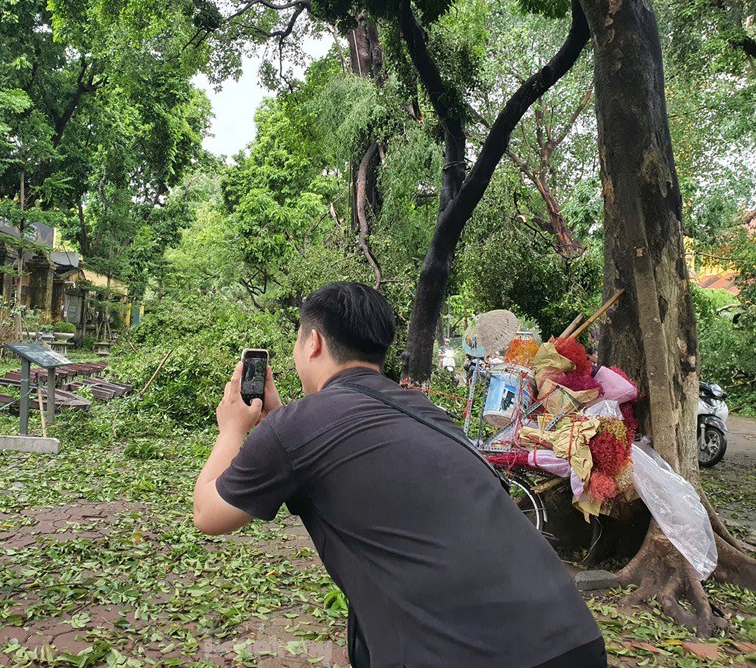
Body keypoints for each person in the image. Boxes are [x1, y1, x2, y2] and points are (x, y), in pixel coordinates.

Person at [193, 282, 605, 668]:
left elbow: (209, 514)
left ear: (313, 341)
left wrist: (232, 428)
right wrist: (281, 422)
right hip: (575, 640)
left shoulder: (295, 427)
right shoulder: (427, 412)